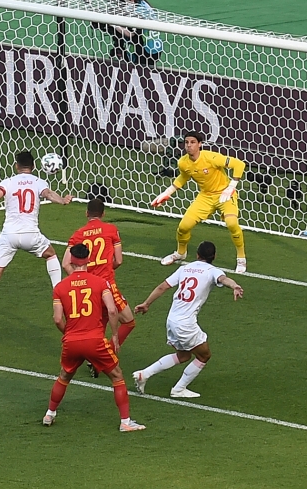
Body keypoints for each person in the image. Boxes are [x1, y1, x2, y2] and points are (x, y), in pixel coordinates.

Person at [0, 150, 73, 339]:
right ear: (33, 167)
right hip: (31, 235)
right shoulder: (39, 182)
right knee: (51, 255)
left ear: (16, 166)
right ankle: (58, 294)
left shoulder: (8, 182)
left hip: (9, 236)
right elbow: (48, 194)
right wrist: (63, 201)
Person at [43, 243, 145, 432]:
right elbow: (113, 310)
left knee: (64, 376)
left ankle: (50, 413)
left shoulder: (60, 287)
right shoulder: (100, 283)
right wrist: (114, 335)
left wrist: (67, 333)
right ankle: (125, 422)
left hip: (71, 341)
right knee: (117, 376)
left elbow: (57, 319)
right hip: (95, 341)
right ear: (88, 260)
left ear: (71, 261)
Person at [132, 241, 243, 398]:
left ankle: (144, 374)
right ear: (215, 256)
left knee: (183, 356)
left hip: (171, 320)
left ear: (197, 255)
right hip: (185, 324)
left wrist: (146, 304)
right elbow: (224, 279)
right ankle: (178, 389)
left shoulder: (184, 269)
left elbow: (162, 287)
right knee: (204, 355)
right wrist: (235, 286)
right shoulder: (213, 271)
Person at [150, 130, 248, 273]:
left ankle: (241, 258)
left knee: (232, 224)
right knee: (183, 227)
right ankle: (180, 253)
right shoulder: (183, 162)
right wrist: (167, 192)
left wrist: (231, 187)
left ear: (200, 144)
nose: (189, 146)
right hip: (205, 197)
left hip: (225, 195)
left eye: (193, 142)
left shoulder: (212, 158)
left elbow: (239, 164)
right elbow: (183, 177)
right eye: (187, 142)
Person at [63, 198, 136, 377]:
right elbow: (118, 260)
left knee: (98, 324)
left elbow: (66, 264)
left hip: (87, 287)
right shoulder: (111, 230)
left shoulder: (78, 234)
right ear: (103, 214)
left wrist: (81, 279)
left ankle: (93, 358)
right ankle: (101, 360)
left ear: (86, 213)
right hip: (107, 285)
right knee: (128, 320)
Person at [92, 0, 162, 67]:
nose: (119, 6)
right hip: (154, 49)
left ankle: (120, 52)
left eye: (121, 3)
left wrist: (112, 23)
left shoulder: (139, 13)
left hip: (146, 52)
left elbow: (130, 34)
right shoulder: (142, 4)